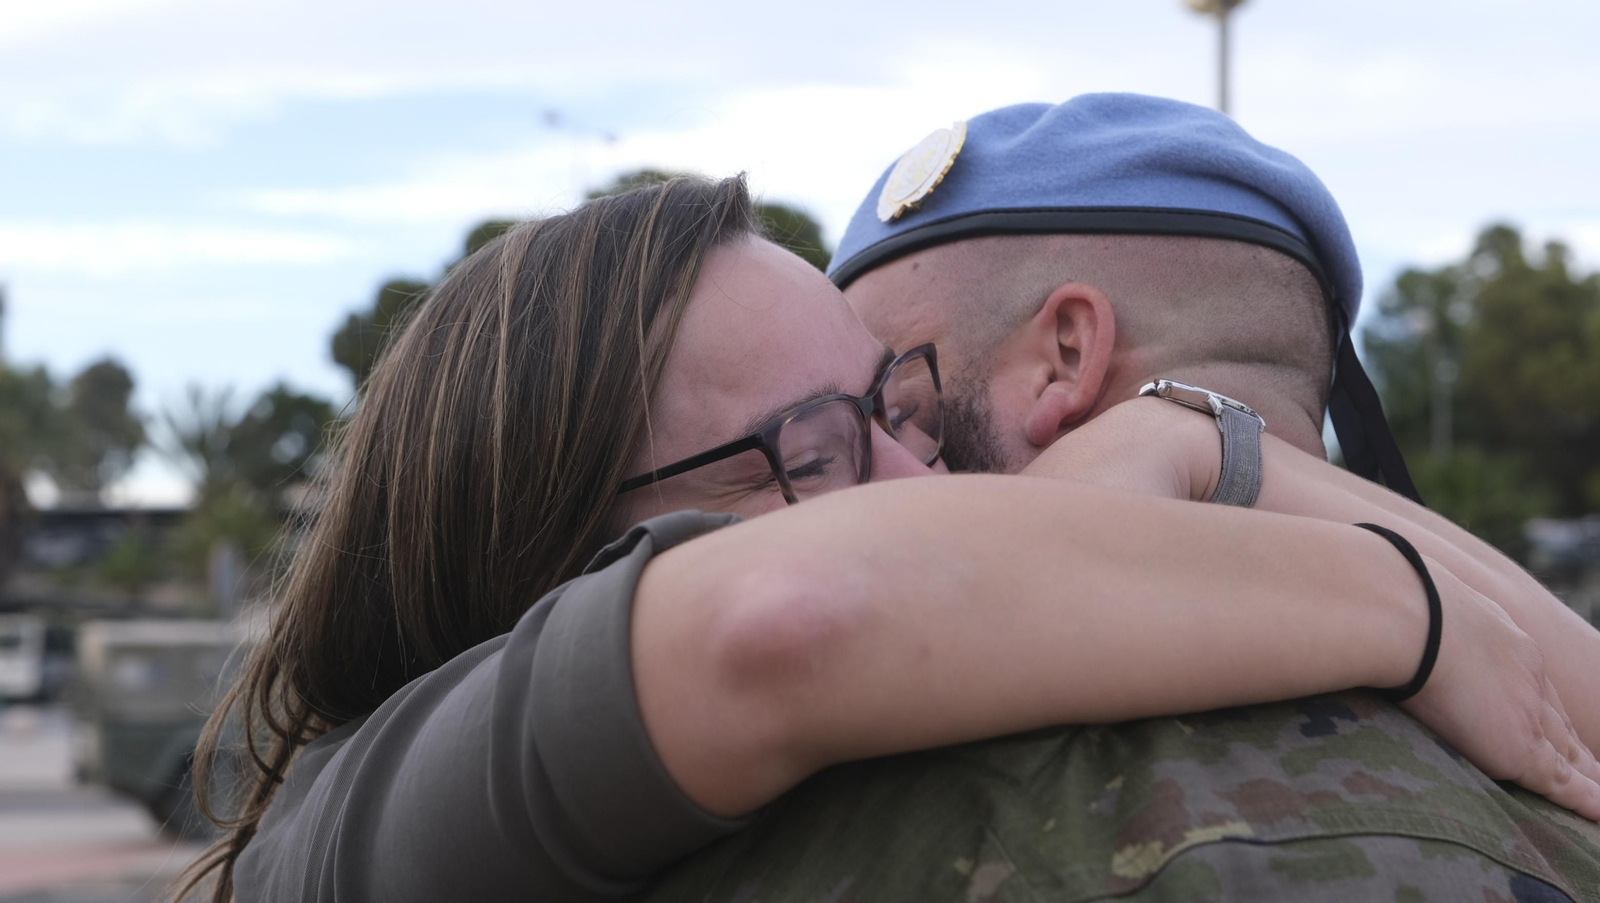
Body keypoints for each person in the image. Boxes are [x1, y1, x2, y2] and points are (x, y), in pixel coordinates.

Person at [176, 175, 1593, 903]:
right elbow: (779, 615)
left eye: (889, 404)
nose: (916, 468)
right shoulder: (352, 821)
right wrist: (1407, 604)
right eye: (813, 446)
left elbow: (1573, 724)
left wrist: (1198, 448)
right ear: (535, 547)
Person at [640, 96, 1600, 902]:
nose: (893, 464)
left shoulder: (861, 795)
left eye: (905, 401)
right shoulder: (1550, 739)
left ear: (1068, 353)